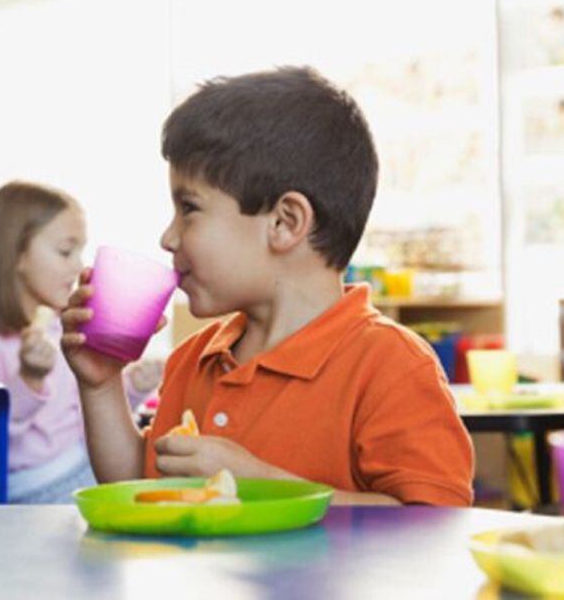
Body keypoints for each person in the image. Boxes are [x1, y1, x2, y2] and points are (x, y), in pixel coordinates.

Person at [62, 67, 474, 505]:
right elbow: (141, 487)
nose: (168, 237)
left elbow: (435, 523)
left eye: (189, 208)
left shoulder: (391, 365)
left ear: (284, 222)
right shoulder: (194, 360)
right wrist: (101, 386)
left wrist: (257, 483)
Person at [0, 181, 163, 503]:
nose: (78, 266)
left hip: (82, 466)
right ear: (15, 254)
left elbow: (82, 415)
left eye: (80, 250)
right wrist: (29, 379)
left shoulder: (56, 326)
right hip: (36, 489)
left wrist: (130, 388)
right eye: (65, 251)